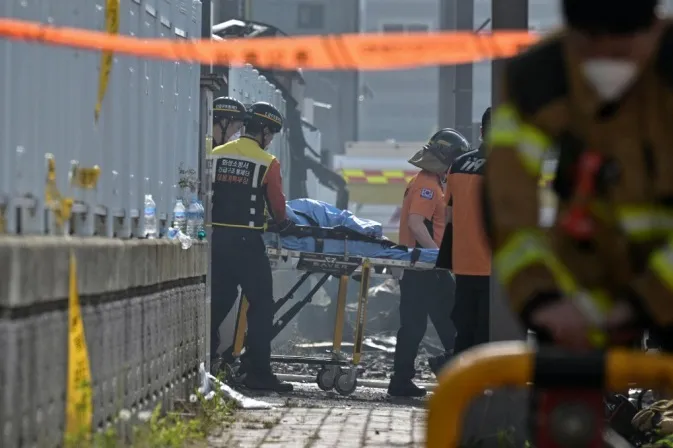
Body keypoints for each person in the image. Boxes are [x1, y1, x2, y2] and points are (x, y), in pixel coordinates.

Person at [484, 0, 673, 352]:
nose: (605, 64)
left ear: (655, 29)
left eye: (622, 52)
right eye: (589, 48)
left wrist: (644, 303)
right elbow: (506, 199)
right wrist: (541, 298)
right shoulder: (540, 77)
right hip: (584, 285)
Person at [210, 101, 294, 392]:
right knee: (261, 305)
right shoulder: (267, 162)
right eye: (271, 134)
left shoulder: (215, 154)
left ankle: (207, 356)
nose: (270, 140)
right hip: (247, 242)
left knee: (219, 298)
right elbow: (278, 207)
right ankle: (257, 371)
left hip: (216, 239)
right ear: (265, 131)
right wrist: (283, 225)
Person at [388, 128, 470, 398]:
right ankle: (460, 381)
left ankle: (402, 380)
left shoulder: (427, 180)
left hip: (421, 267)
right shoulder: (427, 184)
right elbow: (415, 222)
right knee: (449, 324)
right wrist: (438, 255)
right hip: (426, 267)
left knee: (417, 325)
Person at [432, 108, 492, 373]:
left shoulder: (458, 165)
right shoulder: (507, 165)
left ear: (481, 131)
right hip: (493, 266)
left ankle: (462, 392)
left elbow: (449, 215)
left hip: (463, 262)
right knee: (488, 337)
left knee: (464, 332)